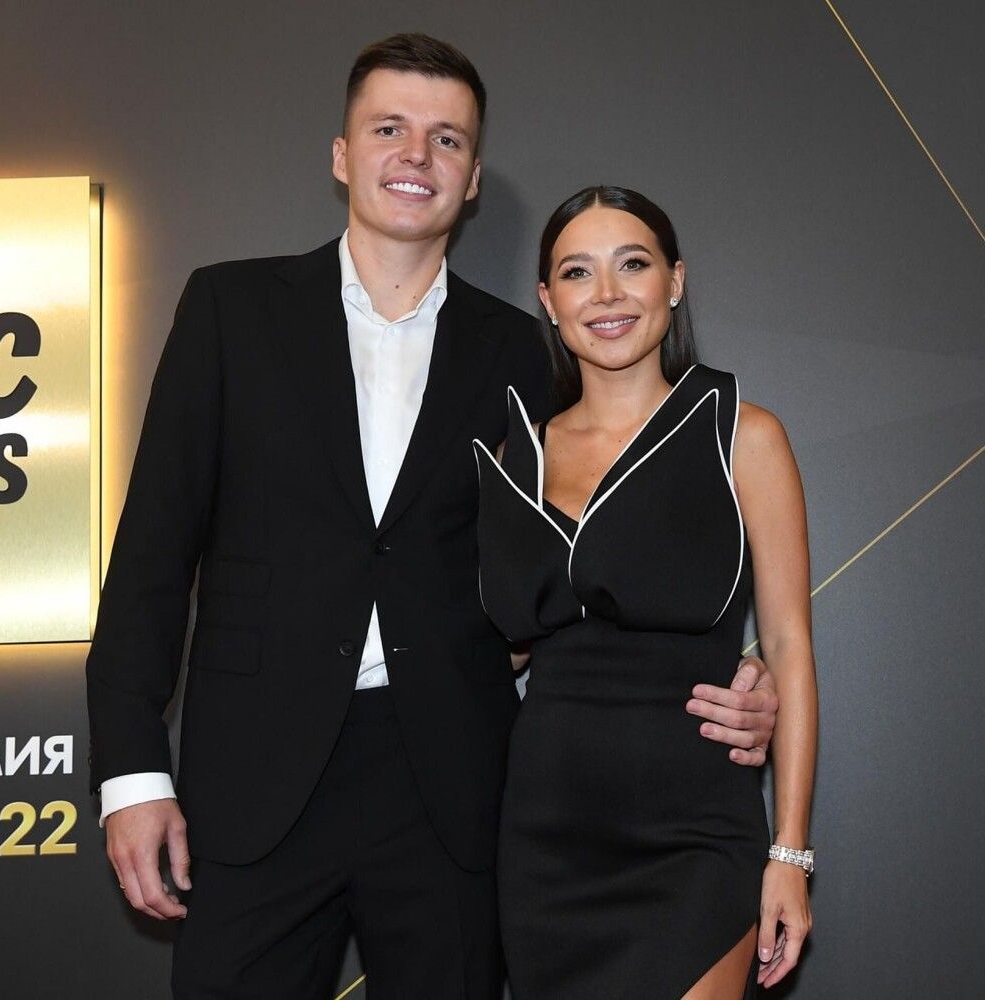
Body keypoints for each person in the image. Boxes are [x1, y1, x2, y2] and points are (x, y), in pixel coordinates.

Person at [87, 37, 779, 1000]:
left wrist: (742, 671)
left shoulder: (528, 354)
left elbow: (606, 548)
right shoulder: (228, 309)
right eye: (389, 129)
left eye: (446, 138)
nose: (417, 155)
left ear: (473, 177)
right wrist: (131, 776)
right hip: (253, 777)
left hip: (456, 790)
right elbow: (151, 560)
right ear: (342, 155)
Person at [474, 186, 818, 998]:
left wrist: (790, 854)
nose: (607, 294)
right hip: (545, 840)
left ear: (674, 281)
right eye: (577, 272)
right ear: (548, 300)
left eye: (631, 265)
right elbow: (503, 646)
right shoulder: (514, 456)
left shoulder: (743, 435)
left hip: (696, 834)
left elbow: (789, 647)